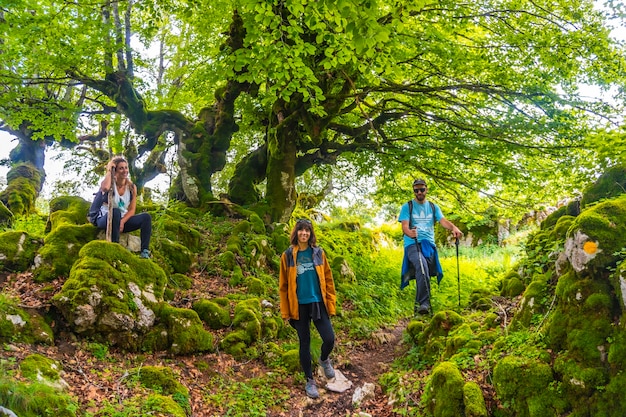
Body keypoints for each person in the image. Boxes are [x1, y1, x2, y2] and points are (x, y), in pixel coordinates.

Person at [279, 219, 337, 399]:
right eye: (301, 230)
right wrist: (286, 311)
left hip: (318, 302)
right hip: (298, 305)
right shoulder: (288, 255)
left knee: (329, 339)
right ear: (296, 233)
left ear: (311, 234)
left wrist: (331, 302)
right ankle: (309, 381)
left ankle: (324, 359)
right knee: (304, 342)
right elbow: (283, 286)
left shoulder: (319, 253)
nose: (304, 234)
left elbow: (328, 279)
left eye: (307, 231)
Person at [398, 179, 462, 315]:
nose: (419, 192)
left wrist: (454, 228)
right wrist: (410, 232)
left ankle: (418, 309)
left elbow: (442, 221)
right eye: (416, 190)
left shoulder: (433, 207)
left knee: (424, 272)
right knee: (422, 267)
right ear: (413, 191)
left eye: (421, 189)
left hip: (429, 244)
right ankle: (424, 303)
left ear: (426, 190)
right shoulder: (407, 206)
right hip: (412, 244)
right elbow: (404, 226)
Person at [93, 156, 152, 259]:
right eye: (121, 168)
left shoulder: (131, 187)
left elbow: (132, 210)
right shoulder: (110, 184)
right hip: (105, 219)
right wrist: (109, 170)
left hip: (121, 221)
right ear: (115, 171)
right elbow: (105, 188)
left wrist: (123, 221)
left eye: (126, 167)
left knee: (146, 217)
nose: (124, 171)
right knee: (115, 211)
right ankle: (115, 247)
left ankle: (144, 251)